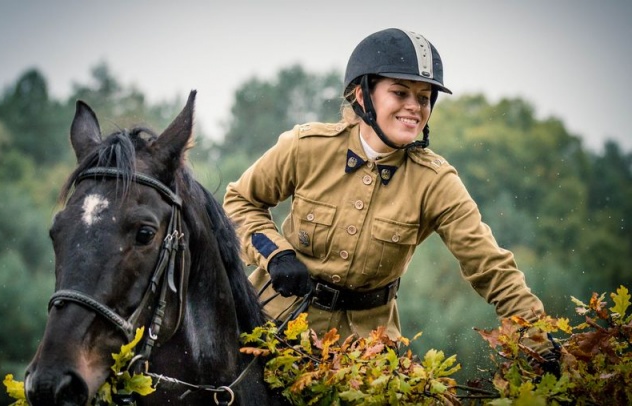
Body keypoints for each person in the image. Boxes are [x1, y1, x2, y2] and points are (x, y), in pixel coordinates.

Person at [223, 28, 557, 366]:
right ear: (362, 95)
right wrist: (275, 254)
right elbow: (239, 203)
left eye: (424, 98)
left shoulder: (436, 182)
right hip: (269, 325)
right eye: (400, 93)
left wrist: (536, 339)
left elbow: (490, 265)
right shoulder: (305, 147)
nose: (414, 107)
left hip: (367, 355)